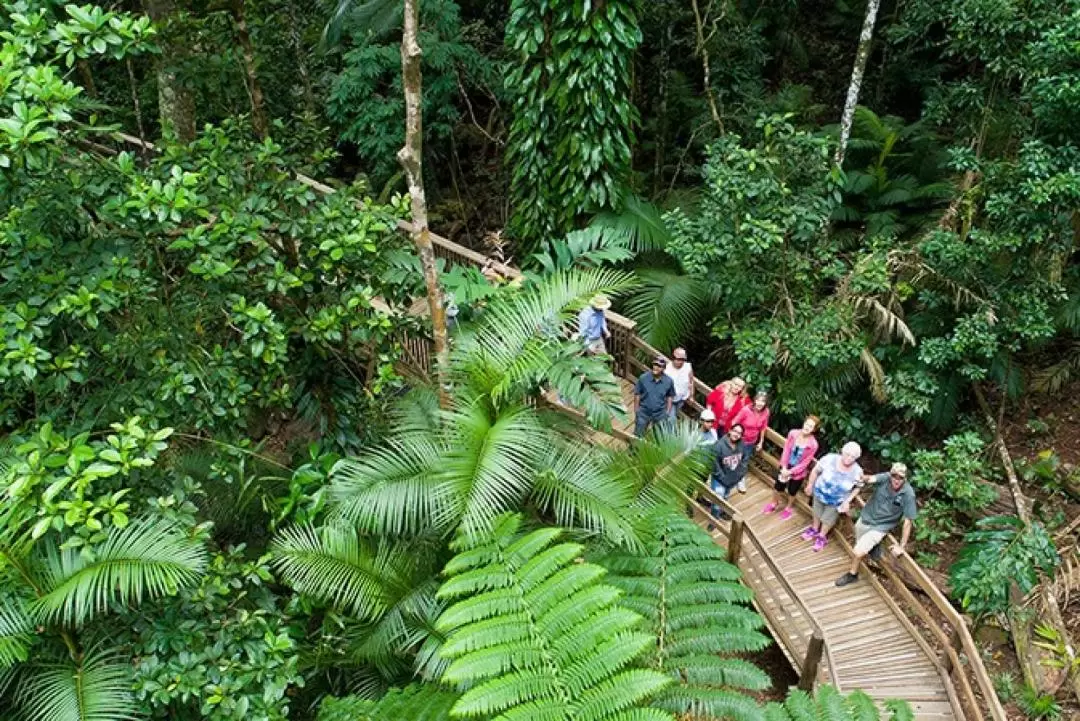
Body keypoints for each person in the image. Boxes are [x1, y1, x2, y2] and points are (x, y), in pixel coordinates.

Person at [835, 463, 917, 586]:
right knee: (860, 539)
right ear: (890, 475)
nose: (896, 480)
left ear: (905, 478)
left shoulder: (908, 494)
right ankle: (873, 549)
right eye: (894, 476)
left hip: (881, 526)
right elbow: (872, 478)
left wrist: (901, 546)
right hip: (867, 516)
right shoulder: (885, 478)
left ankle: (853, 574)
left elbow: (908, 521)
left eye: (900, 477)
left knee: (858, 552)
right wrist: (863, 478)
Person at [802, 441, 863, 552]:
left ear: (856, 458)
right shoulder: (830, 459)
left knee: (828, 519)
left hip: (836, 500)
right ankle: (814, 529)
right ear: (842, 452)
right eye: (847, 454)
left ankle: (822, 536)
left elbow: (858, 487)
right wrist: (810, 484)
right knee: (816, 511)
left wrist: (848, 500)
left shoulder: (857, 471)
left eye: (853, 457)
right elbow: (816, 470)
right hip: (819, 492)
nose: (849, 458)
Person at [763, 415, 820, 519]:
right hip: (786, 465)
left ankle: (788, 507)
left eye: (811, 426)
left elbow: (805, 462)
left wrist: (791, 472)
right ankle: (773, 503)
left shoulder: (813, 444)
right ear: (804, 423)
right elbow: (786, 450)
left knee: (792, 490)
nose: (807, 427)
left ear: (814, 430)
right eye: (807, 424)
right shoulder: (793, 433)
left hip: (798, 471)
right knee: (778, 486)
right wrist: (784, 466)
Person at [731, 391, 771, 493]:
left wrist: (761, 441)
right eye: (758, 400)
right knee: (734, 458)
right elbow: (734, 422)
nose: (760, 403)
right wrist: (735, 435)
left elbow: (763, 427)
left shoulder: (766, 412)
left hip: (751, 441)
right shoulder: (746, 410)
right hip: (740, 439)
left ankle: (740, 480)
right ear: (755, 400)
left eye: (763, 401)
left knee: (744, 461)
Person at [709, 424, 747, 518]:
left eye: (739, 433)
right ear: (730, 431)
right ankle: (714, 518)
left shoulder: (742, 445)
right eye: (735, 431)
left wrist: (739, 475)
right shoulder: (719, 445)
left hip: (732, 478)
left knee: (725, 496)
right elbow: (715, 464)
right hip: (719, 479)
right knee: (717, 500)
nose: (736, 434)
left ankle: (721, 512)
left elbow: (744, 460)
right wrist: (723, 478)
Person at [634, 356, 675, 437]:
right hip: (643, 412)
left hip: (660, 413)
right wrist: (636, 410)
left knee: (659, 436)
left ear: (663, 368)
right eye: (655, 365)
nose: (656, 367)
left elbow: (670, 396)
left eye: (659, 366)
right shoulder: (643, 378)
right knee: (638, 435)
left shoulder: (669, 381)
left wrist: (667, 411)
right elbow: (637, 393)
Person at [664, 348, 695, 420]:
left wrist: (691, 396)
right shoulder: (667, 369)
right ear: (673, 358)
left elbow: (691, 381)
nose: (680, 362)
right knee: (672, 419)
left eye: (683, 359)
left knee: (673, 414)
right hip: (669, 399)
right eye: (678, 359)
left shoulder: (688, 367)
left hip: (681, 399)